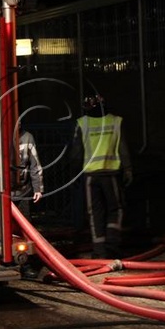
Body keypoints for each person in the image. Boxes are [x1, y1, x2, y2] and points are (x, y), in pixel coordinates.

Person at [71, 94, 133, 259]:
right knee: (116, 209)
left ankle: (99, 251)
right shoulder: (116, 121)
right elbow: (123, 147)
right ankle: (112, 245)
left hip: (90, 175)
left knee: (94, 213)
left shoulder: (82, 123)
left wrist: (74, 175)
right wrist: (128, 169)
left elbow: (76, 153)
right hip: (110, 173)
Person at [11, 126, 44, 218]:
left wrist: (38, 189)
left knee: (24, 218)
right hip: (4, 191)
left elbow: (35, 164)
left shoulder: (27, 137)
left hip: (22, 190)